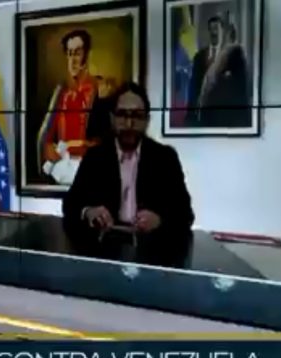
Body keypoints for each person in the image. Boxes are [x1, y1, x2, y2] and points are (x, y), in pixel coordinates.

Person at [62, 82, 194, 246]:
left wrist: (159, 220)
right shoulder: (95, 157)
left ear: (147, 120)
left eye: (137, 116)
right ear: (112, 118)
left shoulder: (165, 158)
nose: (129, 123)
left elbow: (185, 214)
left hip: (151, 250)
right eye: (122, 114)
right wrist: (88, 212)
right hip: (105, 248)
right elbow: (70, 204)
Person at [37, 29, 102, 185]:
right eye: (69, 53)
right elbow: (47, 135)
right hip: (61, 167)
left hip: (89, 168)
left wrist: (80, 146)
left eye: (77, 53)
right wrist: (47, 147)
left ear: (87, 55)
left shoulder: (99, 91)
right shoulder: (61, 93)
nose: (72, 60)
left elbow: (106, 141)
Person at [187, 16, 250, 127]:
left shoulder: (233, 56)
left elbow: (241, 89)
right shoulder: (198, 57)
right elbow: (194, 89)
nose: (214, 32)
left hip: (225, 119)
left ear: (222, 31)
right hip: (204, 118)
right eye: (211, 29)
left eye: (216, 28)